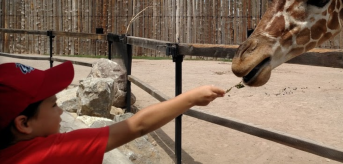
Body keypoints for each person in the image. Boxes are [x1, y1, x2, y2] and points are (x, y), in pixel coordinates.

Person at [0, 61, 225, 163]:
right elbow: (137, 126)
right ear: (24, 124)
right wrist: (190, 98)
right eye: (53, 104)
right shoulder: (50, 153)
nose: (60, 110)